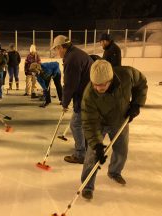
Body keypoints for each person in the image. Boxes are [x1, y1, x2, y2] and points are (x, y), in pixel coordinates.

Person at [80, 60, 148, 200]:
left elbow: (141, 83)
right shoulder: (89, 94)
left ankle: (115, 172)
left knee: (121, 149)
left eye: (102, 85)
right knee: (92, 155)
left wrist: (136, 104)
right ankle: (87, 185)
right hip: (99, 122)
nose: (98, 88)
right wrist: (97, 145)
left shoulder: (127, 74)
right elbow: (89, 122)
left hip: (120, 120)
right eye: (95, 84)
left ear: (110, 80)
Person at [51, 35, 93, 164]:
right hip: (89, 94)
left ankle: (80, 154)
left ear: (61, 47)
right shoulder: (76, 53)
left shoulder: (71, 59)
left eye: (56, 49)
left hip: (85, 96)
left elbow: (70, 85)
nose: (56, 52)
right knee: (83, 123)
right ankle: (85, 147)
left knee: (75, 124)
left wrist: (65, 102)